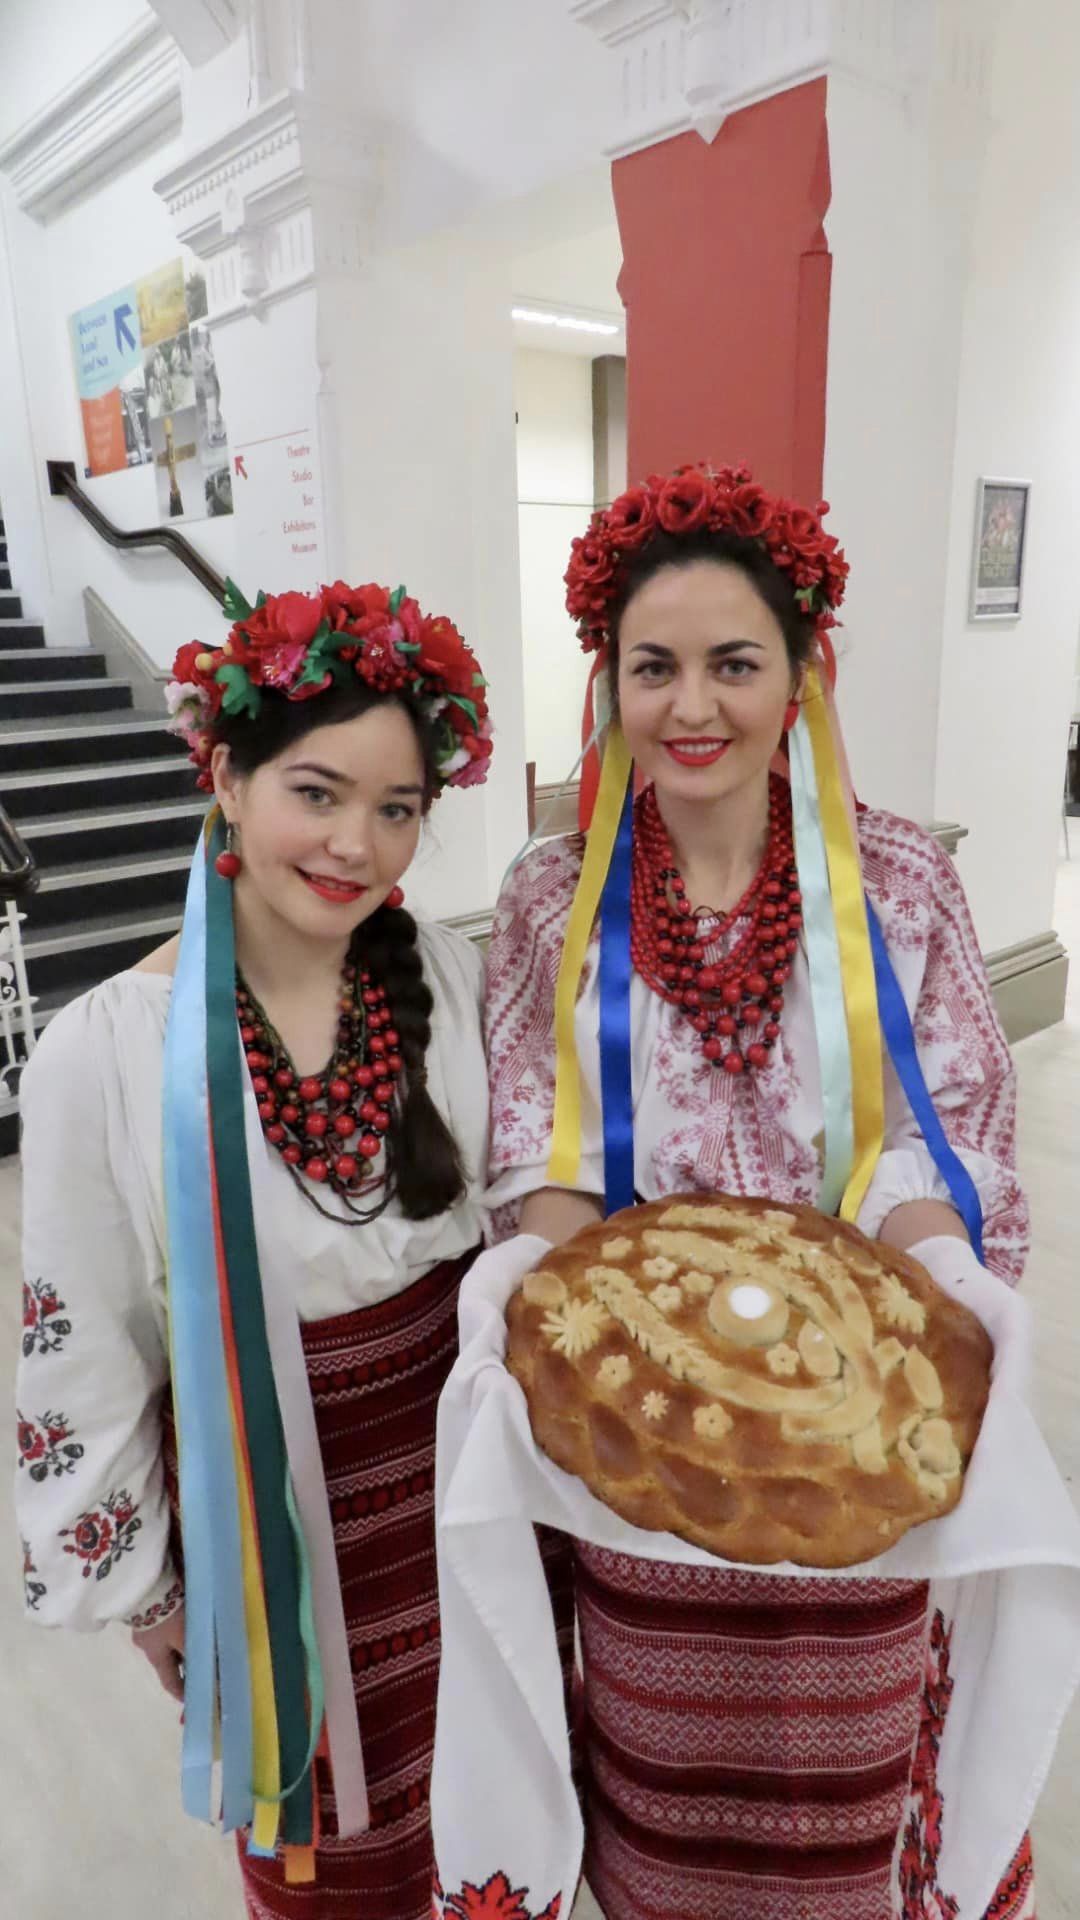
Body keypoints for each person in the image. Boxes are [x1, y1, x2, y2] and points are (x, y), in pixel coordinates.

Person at [463, 464, 1036, 1920]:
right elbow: (545, 1144)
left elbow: (944, 1128)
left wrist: (946, 1272)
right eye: (655, 668)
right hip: (651, 1431)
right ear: (610, 687)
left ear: (803, 677)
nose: (694, 707)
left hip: (853, 1420)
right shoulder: (550, 898)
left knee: (840, 1802)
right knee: (663, 1805)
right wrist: (526, 1284)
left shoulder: (900, 883)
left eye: (735, 662)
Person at [15, 578, 494, 1919]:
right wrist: (150, 1589)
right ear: (224, 775)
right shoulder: (103, 1053)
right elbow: (86, 1339)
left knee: (500, 1827)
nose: (357, 844)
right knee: (336, 1857)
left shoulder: (444, 979)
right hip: (276, 1529)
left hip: (468, 1500)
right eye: (317, 792)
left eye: (397, 809)